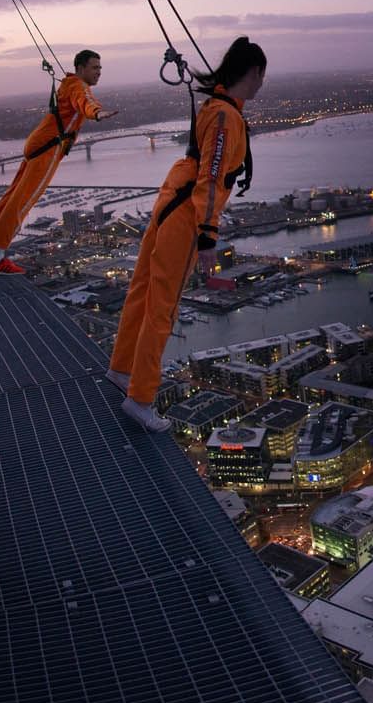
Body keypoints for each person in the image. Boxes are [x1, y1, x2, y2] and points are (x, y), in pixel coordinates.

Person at [111, 37, 265, 432]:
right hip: (186, 216)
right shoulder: (225, 116)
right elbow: (212, 179)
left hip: (171, 200)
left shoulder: (217, 106)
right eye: (260, 76)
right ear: (252, 73)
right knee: (163, 308)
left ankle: (122, 370)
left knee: (142, 291)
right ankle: (141, 397)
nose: (261, 84)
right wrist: (208, 237)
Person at [0, 50, 116, 273]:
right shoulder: (78, 86)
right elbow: (85, 102)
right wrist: (97, 113)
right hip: (49, 146)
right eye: (94, 67)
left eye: (100, 68)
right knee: (23, 200)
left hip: (38, 141)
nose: (99, 72)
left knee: (13, 195)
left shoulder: (68, 83)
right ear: (81, 68)